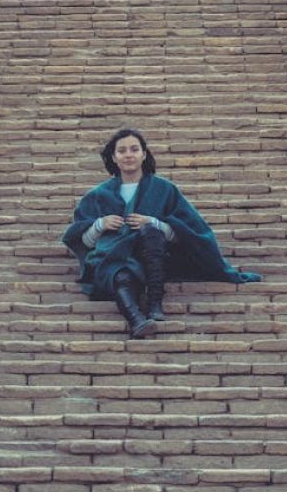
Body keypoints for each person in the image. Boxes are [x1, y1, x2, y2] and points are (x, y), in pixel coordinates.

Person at [62, 128, 262, 340]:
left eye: (134, 149)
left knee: (150, 232)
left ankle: (155, 303)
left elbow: (189, 233)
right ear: (114, 157)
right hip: (112, 260)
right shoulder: (98, 195)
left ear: (144, 154)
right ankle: (138, 320)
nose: (128, 154)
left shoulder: (164, 190)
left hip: (155, 260)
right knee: (120, 274)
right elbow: (84, 242)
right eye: (121, 151)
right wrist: (99, 225)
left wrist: (156, 223)